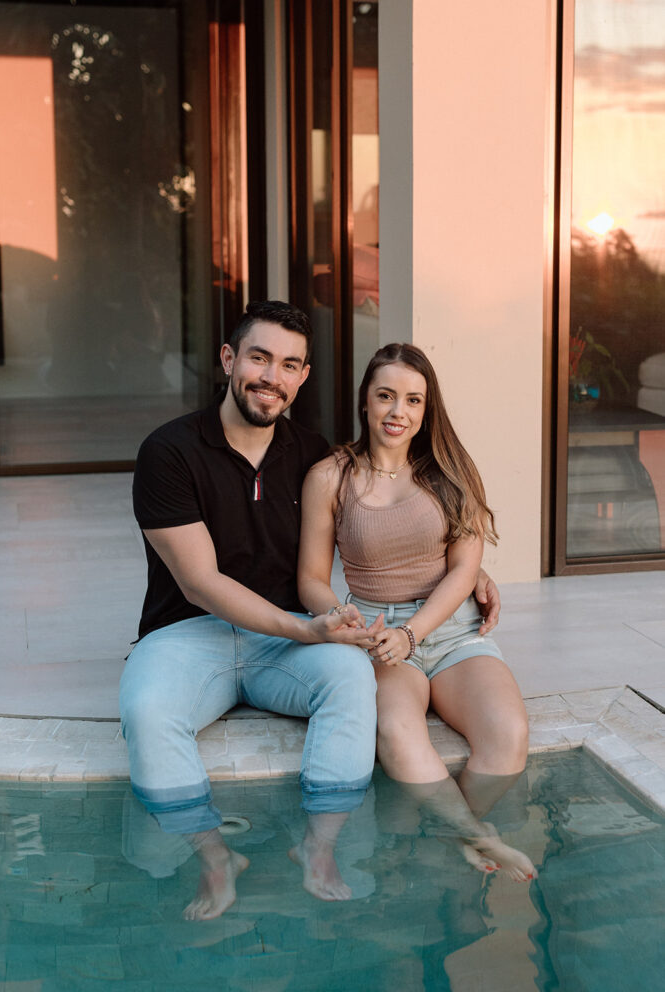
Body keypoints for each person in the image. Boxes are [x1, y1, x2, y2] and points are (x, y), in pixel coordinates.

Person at [120, 303, 502, 920]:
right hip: (190, 633)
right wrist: (305, 627)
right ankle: (214, 855)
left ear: (302, 378)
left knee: (353, 683)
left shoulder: (315, 457)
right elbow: (200, 583)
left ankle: (320, 846)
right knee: (146, 711)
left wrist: (468, 568)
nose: (271, 376)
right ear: (228, 360)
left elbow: (382, 520)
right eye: (259, 358)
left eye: (288, 365)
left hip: (287, 645)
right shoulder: (168, 452)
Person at [297, 343, 537, 880]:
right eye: (385, 396)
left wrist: (414, 633)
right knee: (399, 736)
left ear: (427, 409)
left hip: (452, 631)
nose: (397, 412)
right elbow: (311, 579)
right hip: (378, 636)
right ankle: (475, 838)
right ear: (365, 401)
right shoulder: (330, 477)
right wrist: (341, 616)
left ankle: (451, 837)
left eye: (412, 400)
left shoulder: (451, 471)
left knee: (509, 734)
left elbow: (463, 571)